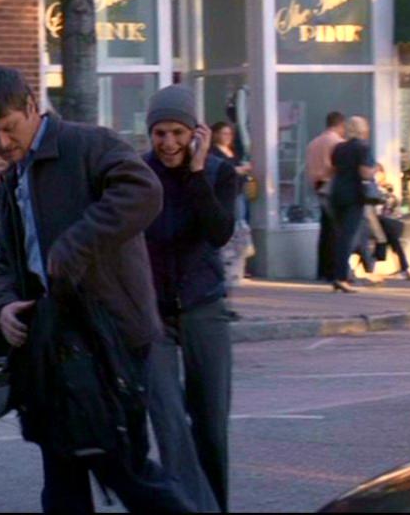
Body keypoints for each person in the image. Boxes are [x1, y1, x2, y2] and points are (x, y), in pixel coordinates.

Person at [0, 67, 193, 513]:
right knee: (62, 473)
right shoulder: (11, 179)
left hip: (107, 335)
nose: (2, 143)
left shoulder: (88, 144)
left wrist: (75, 243)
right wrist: (5, 304)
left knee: (122, 465)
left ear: (31, 106)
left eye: (9, 128)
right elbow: (6, 257)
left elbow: (143, 192)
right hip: (51, 339)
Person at [143, 85, 237, 512]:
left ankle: (215, 506)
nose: (168, 143)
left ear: (195, 132)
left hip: (204, 307)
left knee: (210, 424)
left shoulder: (219, 173)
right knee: (169, 425)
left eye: (177, 133)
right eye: (159, 133)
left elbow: (219, 232)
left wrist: (197, 173)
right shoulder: (139, 173)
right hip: (153, 315)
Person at [329, 116, 376, 294]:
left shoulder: (339, 148)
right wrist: (375, 170)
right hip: (354, 196)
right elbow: (365, 173)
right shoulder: (363, 147)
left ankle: (338, 274)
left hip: (337, 193)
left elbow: (334, 168)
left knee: (340, 235)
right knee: (348, 237)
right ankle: (341, 277)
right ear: (363, 130)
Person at [212, 121, 255, 282]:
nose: (227, 137)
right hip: (226, 194)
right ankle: (229, 265)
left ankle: (241, 264)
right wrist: (238, 170)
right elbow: (220, 170)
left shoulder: (232, 151)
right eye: (224, 133)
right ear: (216, 134)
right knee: (234, 226)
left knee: (241, 226)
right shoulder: (214, 153)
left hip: (239, 191)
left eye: (229, 134)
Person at [306, 112, 346, 282]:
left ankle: (322, 270)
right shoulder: (338, 144)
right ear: (340, 125)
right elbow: (339, 167)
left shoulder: (313, 143)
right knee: (335, 229)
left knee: (325, 229)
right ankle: (333, 270)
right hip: (332, 186)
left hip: (318, 185)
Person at [376, 164, 410, 280]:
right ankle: (404, 268)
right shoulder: (371, 189)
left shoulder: (386, 190)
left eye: (377, 173)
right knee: (391, 238)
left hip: (391, 223)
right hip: (385, 227)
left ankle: (378, 255)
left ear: (382, 174)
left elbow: (384, 210)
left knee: (385, 229)